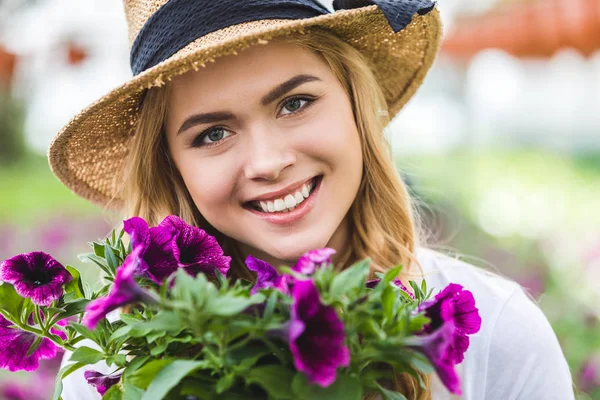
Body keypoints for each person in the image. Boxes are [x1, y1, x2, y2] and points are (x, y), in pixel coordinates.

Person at [51, 0, 575, 399]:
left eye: (294, 103)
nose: (267, 162)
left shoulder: (499, 334)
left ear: (355, 103)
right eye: (212, 134)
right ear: (172, 164)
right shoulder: (116, 369)